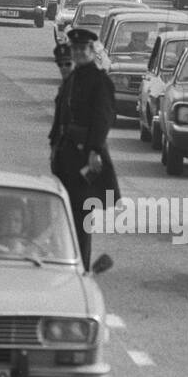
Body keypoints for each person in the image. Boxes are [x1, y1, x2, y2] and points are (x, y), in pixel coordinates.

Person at [49, 28, 120, 271]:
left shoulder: (100, 81)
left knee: (80, 218)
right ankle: (70, 264)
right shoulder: (73, 78)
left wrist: (94, 152)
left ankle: (81, 269)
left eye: (83, 49)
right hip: (66, 157)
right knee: (66, 214)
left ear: (92, 51)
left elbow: (103, 120)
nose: (78, 53)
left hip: (85, 158)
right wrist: (54, 146)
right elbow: (61, 117)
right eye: (75, 49)